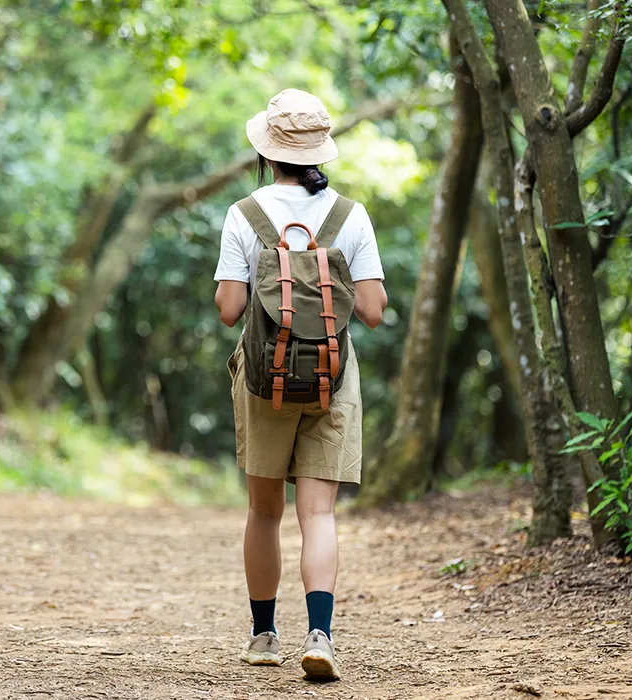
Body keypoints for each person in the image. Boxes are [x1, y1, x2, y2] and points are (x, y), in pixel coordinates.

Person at [213, 88, 387, 682]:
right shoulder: (350, 216)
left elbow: (229, 310)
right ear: (319, 151)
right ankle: (321, 634)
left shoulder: (245, 214)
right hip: (333, 376)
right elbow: (372, 310)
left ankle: (264, 636)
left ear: (267, 150)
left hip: (265, 376)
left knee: (265, 512)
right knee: (319, 514)